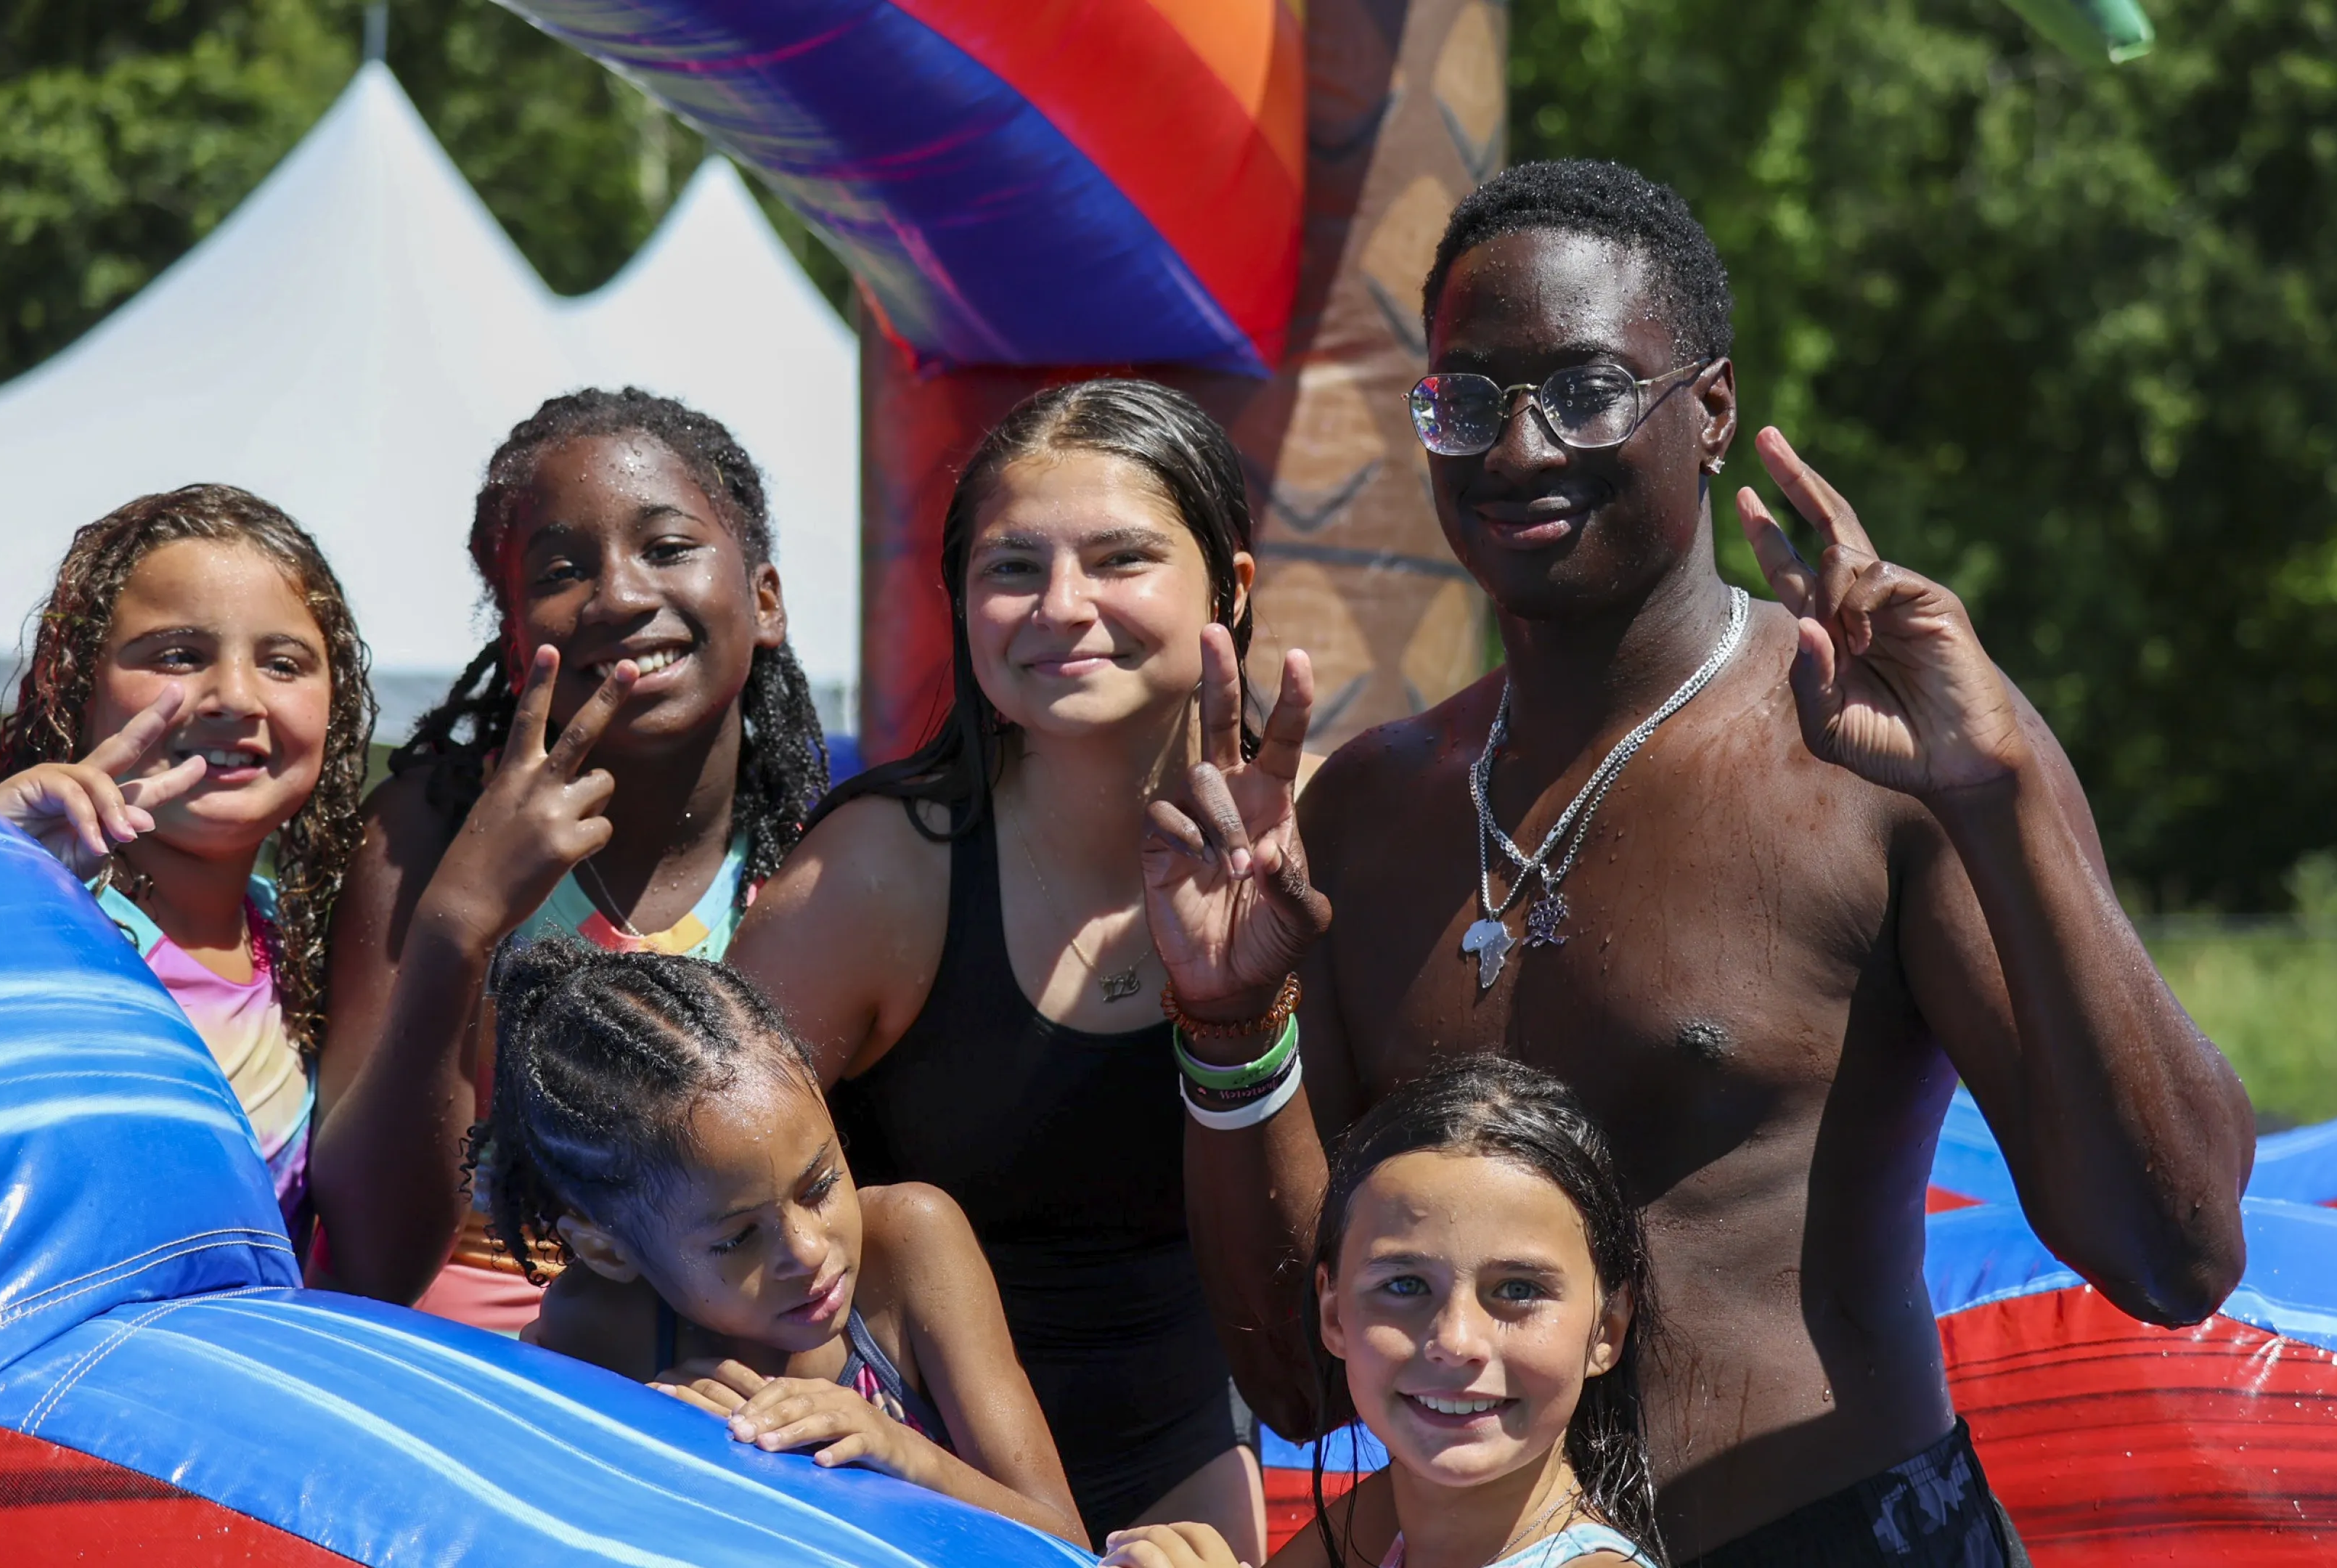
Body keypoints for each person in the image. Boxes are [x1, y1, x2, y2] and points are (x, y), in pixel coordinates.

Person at [1142, 160, 2257, 1566]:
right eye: (1467, 400)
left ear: (1711, 409)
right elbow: (1303, 1387)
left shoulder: (1880, 762)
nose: (1521, 450)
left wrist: (2002, 796)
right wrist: (1232, 1027)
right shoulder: (1371, 810)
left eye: (1590, 391)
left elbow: (2177, 1260)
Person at [729, 380, 1284, 1558]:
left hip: (1183, 1476)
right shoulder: (876, 880)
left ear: (1229, 586)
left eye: (1122, 557)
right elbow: (673, 1190)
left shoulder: (1318, 847)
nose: (1064, 607)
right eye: (1013, 569)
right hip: (882, 1482)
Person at [314, 388, 829, 1330]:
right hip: (471, 1370)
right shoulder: (424, 835)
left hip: (735, 1379)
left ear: (764, 601)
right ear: (513, 637)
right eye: (561, 569)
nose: (624, 597)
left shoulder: (819, 861)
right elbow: (369, 1257)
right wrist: (459, 927)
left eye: (668, 549)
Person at [477, 939, 1088, 1545]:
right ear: (610, 1251)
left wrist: (896, 1452)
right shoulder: (599, 1328)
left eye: (819, 1185)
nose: (807, 1250)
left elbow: (1064, 1542)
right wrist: (670, 1452)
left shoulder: (908, 1248)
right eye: (739, 1236)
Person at [0, 485, 375, 1247]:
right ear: (74, 684)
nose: (235, 695)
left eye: (285, 663)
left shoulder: (304, 950)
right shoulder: (25, 880)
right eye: (177, 656)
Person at [1104, 1055, 1664, 1568]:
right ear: (1333, 1313)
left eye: (1518, 1290)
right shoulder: (1385, 1517)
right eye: (1404, 1284)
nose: (1456, 1338)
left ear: (1607, 1329)